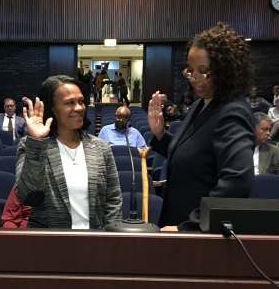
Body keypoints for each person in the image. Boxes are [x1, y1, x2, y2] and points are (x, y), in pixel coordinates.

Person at [148, 22, 255, 232]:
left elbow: (236, 181)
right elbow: (192, 157)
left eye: (203, 72)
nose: (194, 79)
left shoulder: (232, 112)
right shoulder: (201, 105)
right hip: (177, 219)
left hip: (200, 232)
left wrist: (190, 226)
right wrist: (161, 134)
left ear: (225, 71)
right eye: (190, 71)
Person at [14, 75, 122, 229]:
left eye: (81, 101)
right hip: (48, 245)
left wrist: (111, 241)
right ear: (51, 108)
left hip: (95, 243)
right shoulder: (31, 145)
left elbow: (113, 200)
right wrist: (37, 142)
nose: (79, 108)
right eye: (69, 103)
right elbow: (28, 196)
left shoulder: (101, 147)